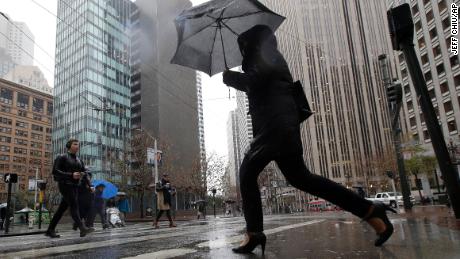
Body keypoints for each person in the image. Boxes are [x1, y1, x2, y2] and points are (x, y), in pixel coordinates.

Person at [222, 25, 396, 254]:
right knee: (302, 179)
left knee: (247, 172)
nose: (241, 50)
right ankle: (370, 211)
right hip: (280, 126)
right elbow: (259, 85)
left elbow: (254, 82)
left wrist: (230, 76)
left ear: (253, 42)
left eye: (243, 45)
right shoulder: (266, 56)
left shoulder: (265, 55)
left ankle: (254, 233)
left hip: (276, 126)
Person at [45, 139, 94, 238]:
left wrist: (90, 185)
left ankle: (50, 230)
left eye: (78, 144)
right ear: (69, 146)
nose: (77, 146)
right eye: (75, 144)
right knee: (74, 205)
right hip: (65, 184)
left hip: (75, 186)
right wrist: (71, 175)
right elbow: (55, 171)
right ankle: (82, 228)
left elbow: (85, 173)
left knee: (61, 209)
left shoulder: (79, 160)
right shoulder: (61, 157)